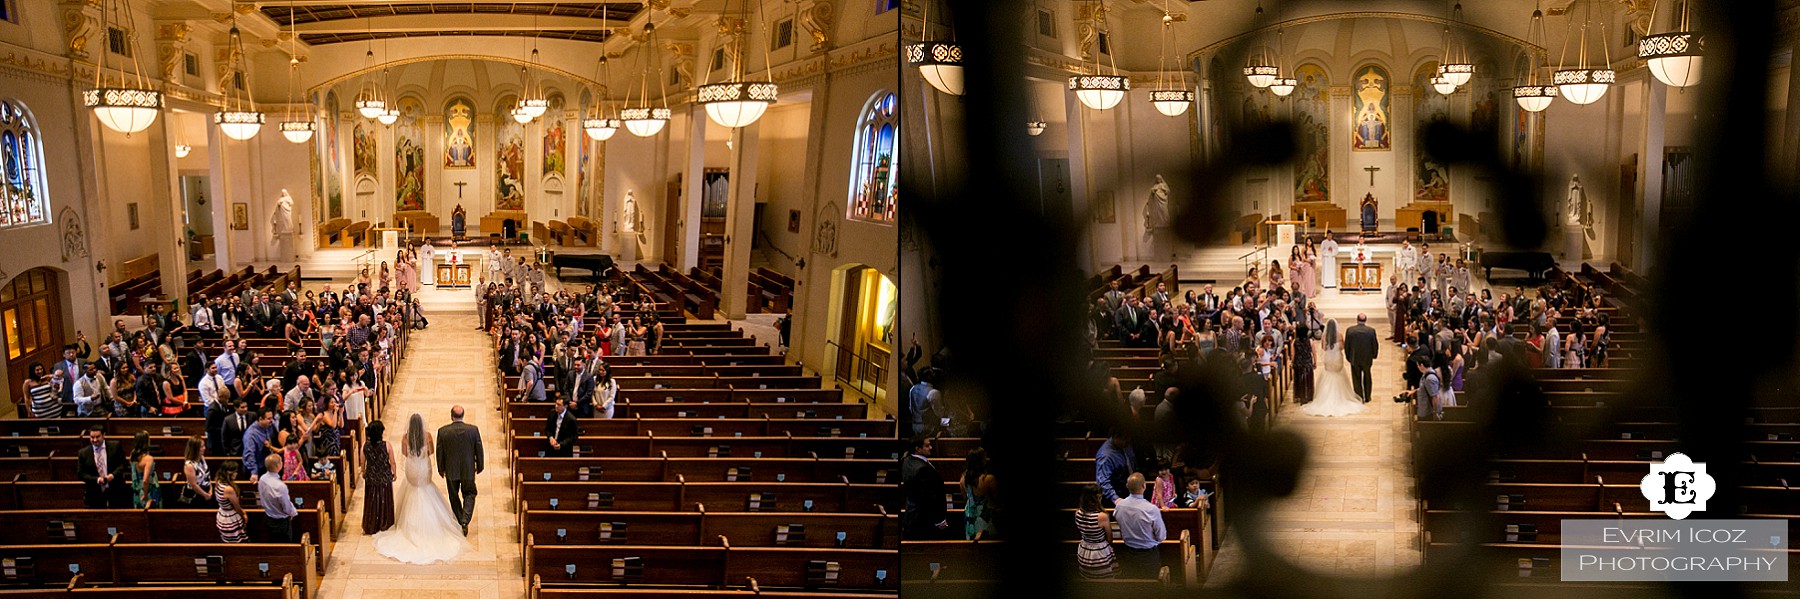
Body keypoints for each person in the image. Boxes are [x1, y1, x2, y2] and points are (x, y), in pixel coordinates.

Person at [373, 413, 475, 563]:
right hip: (422, 466)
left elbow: (404, 453)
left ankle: (409, 524)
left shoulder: (405, 438)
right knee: (426, 488)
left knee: (412, 489)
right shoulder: (427, 436)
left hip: (412, 467)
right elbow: (431, 451)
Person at [1302, 319, 1371, 417]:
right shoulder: (1339, 335)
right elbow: (1342, 347)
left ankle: (1326, 397)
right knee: (1339, 373)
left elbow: (1323, 348)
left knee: (1329, 373)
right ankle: (1341, 396)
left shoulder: (1324, 336)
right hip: (1337, 357)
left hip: (1329, 358)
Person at [436, 406, 484, 536]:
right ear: (463, 416)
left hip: (451, 469)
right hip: (468, 469)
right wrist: (480, 465)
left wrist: (440, 468)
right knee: (470, 493)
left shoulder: (443, 431)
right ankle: (465, 520)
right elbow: (478, 449)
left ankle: (460, 519)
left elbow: (439, 452)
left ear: (451, 416)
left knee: (453, 495)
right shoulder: (473, 430)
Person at [1113, 473, 1167, 579]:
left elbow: (1117, 520)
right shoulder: (1151, 509)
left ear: (1127, 486)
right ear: (1144, 486)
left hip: (1128, 552)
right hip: (1148, 555)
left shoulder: (1120, 505)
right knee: (1150, 586)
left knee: (1133, 586)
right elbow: (1161, 536)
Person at [900, 435, 948, 538]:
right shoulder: (922, 469)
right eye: (927, 445)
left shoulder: (907, 461)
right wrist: (939, 519)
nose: (930, 447)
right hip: (923, 519)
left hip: (911, 515)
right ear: (917, 449)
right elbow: (929, 498)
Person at [78, 426, 128, 508]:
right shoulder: (83, 453)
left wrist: (112, 475)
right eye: (92, 437)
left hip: (116, 489)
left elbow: (124, 464)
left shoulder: (115, 446)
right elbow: (81, 474)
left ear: (104, 435)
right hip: (95, 493)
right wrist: (97, 479)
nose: (94, 440)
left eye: (97, 437)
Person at [1075, 484, 1117, 579]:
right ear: (1098, 498)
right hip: (1099, 553)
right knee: (1104, 580)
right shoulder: (1102, 516)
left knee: (1088, 579)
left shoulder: (1077, 513)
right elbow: (1110, 538)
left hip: (1084, 550)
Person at [362, 421, 396, 535]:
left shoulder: (365, 446)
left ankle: (371, 523)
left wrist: (363, 472)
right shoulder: (387, 445)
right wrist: (394, 473)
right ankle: (385, 521)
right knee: (383, 498)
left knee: (372, 499)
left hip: (371, 476)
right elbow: (392, 462)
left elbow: (362, 462)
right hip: (384, 476)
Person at [258, 454, 299, 542]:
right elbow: (287, 507)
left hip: (268, 518)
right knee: (285, 546)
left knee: (273, 543)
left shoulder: (262, 479)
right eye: (281, 461)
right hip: (281, 522)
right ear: (278, 465)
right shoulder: (280, 486)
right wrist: (294, 513)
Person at [961, 447, 996, 540]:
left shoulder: (963, 479)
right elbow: (997, 499)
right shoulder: (988, 479)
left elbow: (965, 498)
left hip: (970, 516)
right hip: (985, 515)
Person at [1094, 428, 1135, 507]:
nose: (1127, 442)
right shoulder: (1105, 456)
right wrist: (1115, 498)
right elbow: (1103, 482)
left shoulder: (1125, 445)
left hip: (1127, 490)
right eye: (1124, 439)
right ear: (1115, 437)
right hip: (1115, 496)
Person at [1343, 313, 1380, 403]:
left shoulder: (1350, 330)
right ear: (1365, 320)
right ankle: (1368, 397)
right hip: (1367, 358)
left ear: (1357, 320)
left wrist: (1348, 356)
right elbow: (1375, 345)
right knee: (1367, 376)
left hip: (1354, 357)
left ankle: (1359, 396)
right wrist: (1374, 355)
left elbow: (1346, 345)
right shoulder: (1371, 331)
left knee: (1356, 378)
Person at [214, 460, 249, 542]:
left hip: (222, 513)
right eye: (235, 472)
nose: (236, 474)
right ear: (229, 473)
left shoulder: (218, 481)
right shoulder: (228, 489)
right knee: (236, 541)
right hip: (230, 518)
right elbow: (236, 506)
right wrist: (243, 514)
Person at [128, 430, 162, 508]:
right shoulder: (148, 459)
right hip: (148, 491)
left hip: (137, 490)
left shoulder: (133, 456)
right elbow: (146, 480)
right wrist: (145, 495)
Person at [177, 436, 210, 509]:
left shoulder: (201, 458)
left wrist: (210, 489)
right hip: (196, 494)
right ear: (195, 449)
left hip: (206, 490)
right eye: (201, 447)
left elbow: (207, 475)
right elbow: (193, 485)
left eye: (204, 446)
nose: (204, 448)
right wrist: (205, 495)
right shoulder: (189, 465)